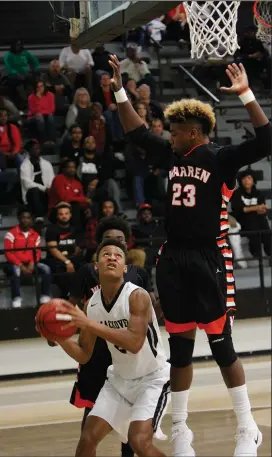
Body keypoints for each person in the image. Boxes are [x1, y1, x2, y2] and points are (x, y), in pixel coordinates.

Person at [109, 55, 271, 456]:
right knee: (180, 349)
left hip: (208, 257)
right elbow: (137, 132)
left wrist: (247, 94)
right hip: (173, 258)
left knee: (222, 347)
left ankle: (247, 427)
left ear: (194, 134)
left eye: (176, 133)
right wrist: (117, 90)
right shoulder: (172, 156)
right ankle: (180, 428)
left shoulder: (219, 158)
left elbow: (267, 141)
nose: (170, 136)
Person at [53, 238, 169, 457]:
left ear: (125, 268)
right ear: (96, 267)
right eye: (106, 254)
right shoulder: (92, 305)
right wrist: (59, 338)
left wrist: (89, 324)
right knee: (87, 439)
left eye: (118, 255)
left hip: (152, 379)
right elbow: (84, 354)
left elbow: (134, 343)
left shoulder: (137, 296)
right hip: (118, 381)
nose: (112, 257)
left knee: (139, 442)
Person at [4, 208, 51, 308]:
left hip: (31, 262)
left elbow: (37, 252)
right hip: (16, 263)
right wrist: (21, 265)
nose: (25, 220)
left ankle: (44, 296)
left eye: (28, 218)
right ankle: (16, 298)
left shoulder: (35, 235)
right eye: (23, 218)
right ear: (19, 219)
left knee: (46, 269)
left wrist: (32, 263)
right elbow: (9, 253)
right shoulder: (11, 234)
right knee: (15, 270)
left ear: (31, 219)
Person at [44, 202, 84, 297]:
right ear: (57, 216)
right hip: (57, 260)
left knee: (85, 267)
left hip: (72, 257)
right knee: (62, 269)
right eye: (61, 214)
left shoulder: (75, 229)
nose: (64, 216)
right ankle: (67, 295)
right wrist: (67, 262)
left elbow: (78, 247)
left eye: (66, 213)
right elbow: (53, 249)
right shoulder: (51, 229)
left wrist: (76, 253)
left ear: (70, 215)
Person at [231, 170, 271, 259]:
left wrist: (256, 209)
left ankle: (269, 254)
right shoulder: (237, 194)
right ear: (240, 181)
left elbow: (263, 208)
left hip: (257, 220)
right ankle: (257, 253)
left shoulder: (258, 193)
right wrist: (256, 208)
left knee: (265, 228)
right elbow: (240, 210)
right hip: (242, 221)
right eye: (243, 179)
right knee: (252, 220)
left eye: (249, 178)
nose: (246, 181)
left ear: (253, 181)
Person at [48, 160, 91, 228]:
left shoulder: (78, 183)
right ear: (64, 169)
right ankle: (74, 232)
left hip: (72, 211)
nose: (72, 169)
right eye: (69, 167)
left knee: (89, 210)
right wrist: (84, 199)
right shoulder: (59, 178)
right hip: (56, 211)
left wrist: (87, 207)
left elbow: (82, 201)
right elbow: (64, 198)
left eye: (73, 167)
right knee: (75, 205)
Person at [20, 140, 55, 221]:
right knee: (34, 190)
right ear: (29, 151)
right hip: (31, 195)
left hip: (46, 194)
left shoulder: (47, 164)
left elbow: (52, 180)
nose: (38, 150)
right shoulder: (24, 165)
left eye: (38, 148)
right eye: (35, 148)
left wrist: (49, 189)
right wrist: (43, 188)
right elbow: (27, 184)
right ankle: (39, 216)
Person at [4, 39, 39, 109]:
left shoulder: (25, 53)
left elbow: (35, 62)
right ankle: (20, 104)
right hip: (14, 75)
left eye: (19, 45)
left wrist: (34, 70)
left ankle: (34, 102)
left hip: (26, 74)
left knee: (36, 82)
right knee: (15, 83)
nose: (18, 46)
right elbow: (9, 68)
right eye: (16, 45)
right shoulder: (8, 55)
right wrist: (16, 73)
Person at [28, 80, 56, 144]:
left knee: (50, 116)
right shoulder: (31, 97)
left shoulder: (50, 95)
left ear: (44, 87)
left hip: (46, 115)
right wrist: (39, 98)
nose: (40, 88)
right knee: (40, 117)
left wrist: (42, 112)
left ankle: (52, 140)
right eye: (38, 87)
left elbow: (52, 109)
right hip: (33, 117)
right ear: (35, 88)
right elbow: (33, 111)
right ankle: (44, 140)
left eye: (41, 86)